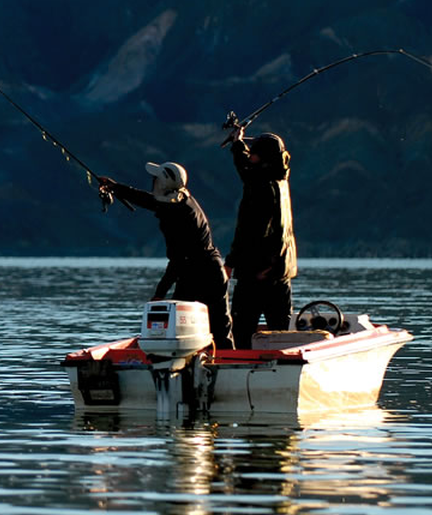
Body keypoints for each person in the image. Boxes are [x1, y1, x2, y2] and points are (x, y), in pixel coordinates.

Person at [99, 162, 235, 350]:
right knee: (220, 329)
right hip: (211, 269)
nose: (153, 181)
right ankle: (226, 364)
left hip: (197, 273)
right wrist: (116, 188)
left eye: (156, 178)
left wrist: (159, 294)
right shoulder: (179, 199)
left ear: (162, 184)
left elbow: (178, 260)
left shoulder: (178, 216)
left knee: (179, 326)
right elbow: (150, 201)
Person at [224, 127, 298, 348]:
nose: (252, 156)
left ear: (263, 158)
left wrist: (230, 263)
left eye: (255, 153)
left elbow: (248, 232)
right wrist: (238, 144)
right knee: (281, 333)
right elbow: (247, 169)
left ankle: (239, 375)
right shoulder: (279, 179)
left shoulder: (261, 186)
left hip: (257, 273)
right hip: (281, 271)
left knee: (241, 332)